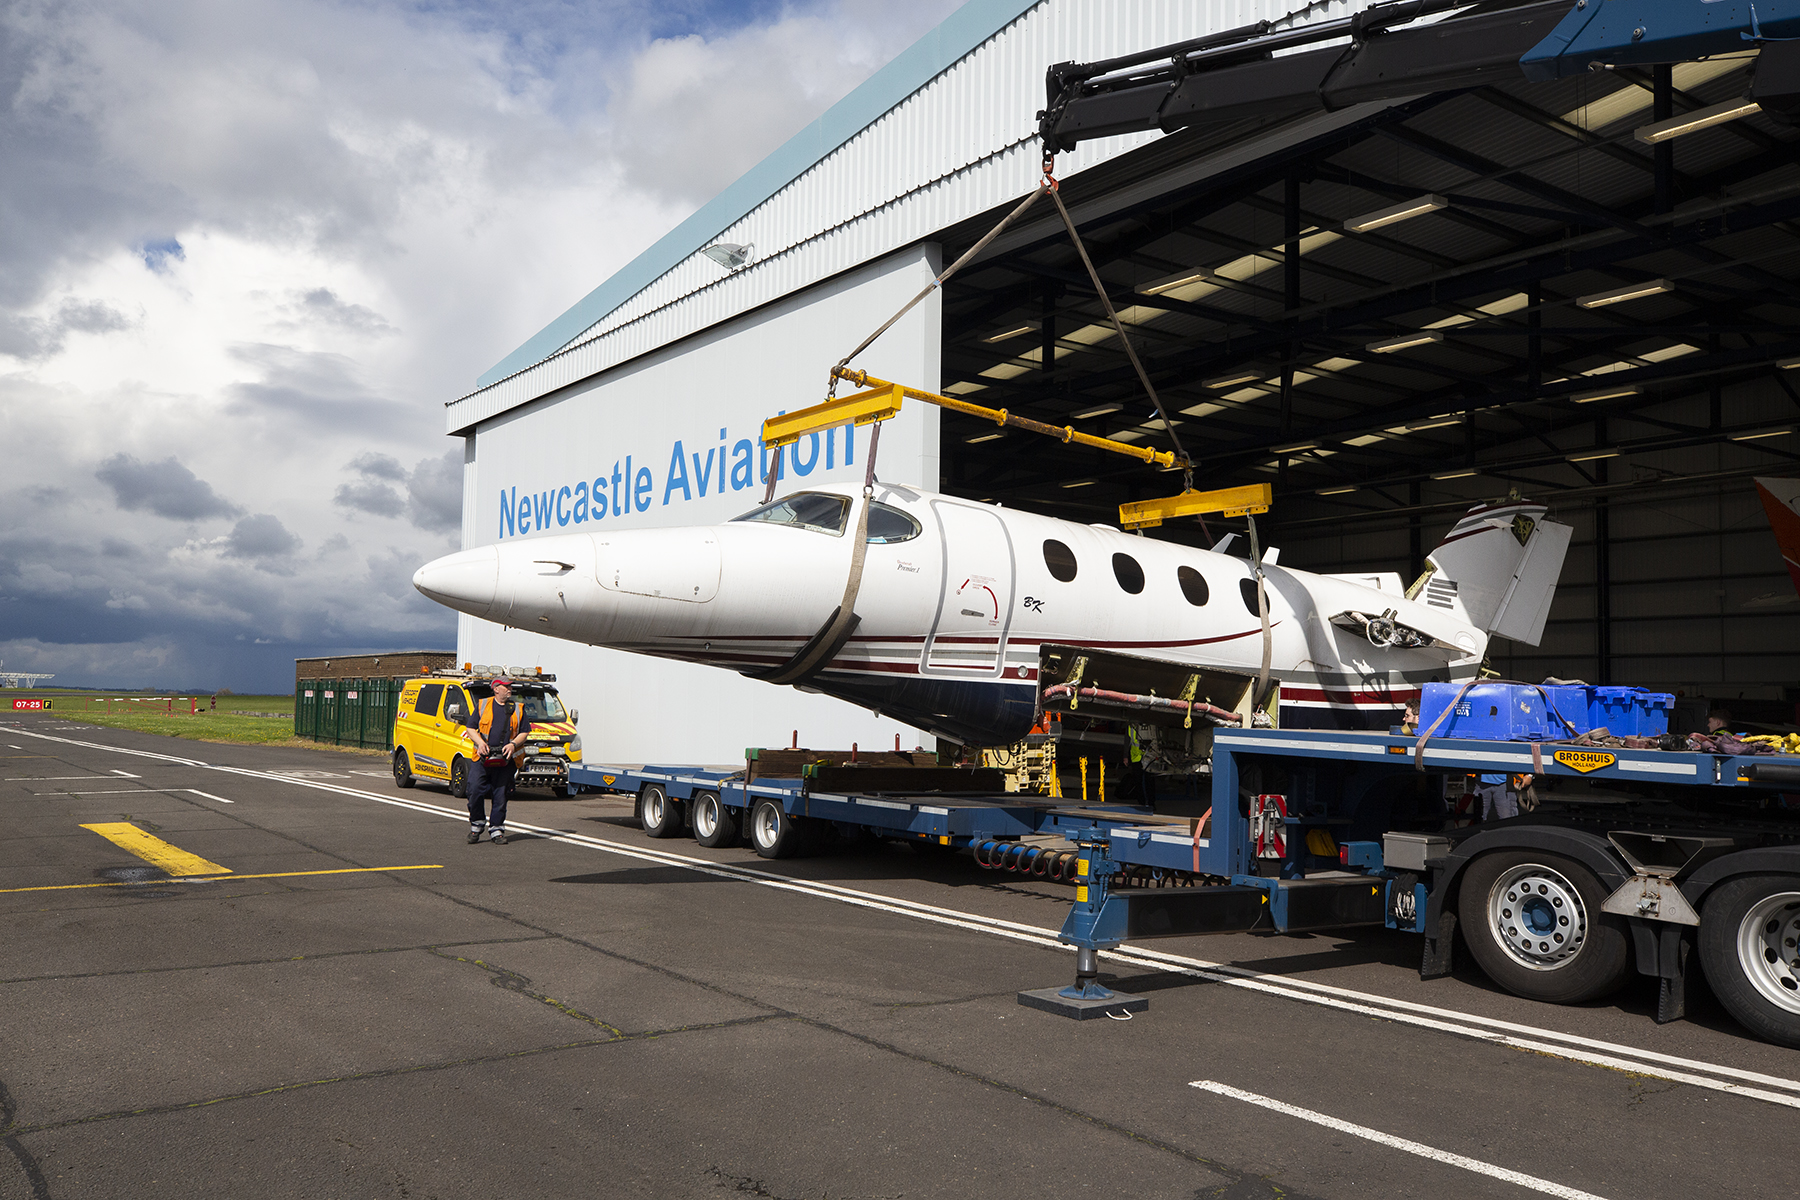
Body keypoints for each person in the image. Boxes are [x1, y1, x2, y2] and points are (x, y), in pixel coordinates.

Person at [458, 676, 532, 844]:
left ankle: (496, 830)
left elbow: (525, 732)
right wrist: (480, 743)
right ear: (496, 689)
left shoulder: (518, 708)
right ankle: (476, 825)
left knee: (501, 795)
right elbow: (470, 727)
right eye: (506, 687)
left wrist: (513, 744)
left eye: (510, 687)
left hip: (506, 760)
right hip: (482, 758)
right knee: (474, 790)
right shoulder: (483, 705)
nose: (509, 690)